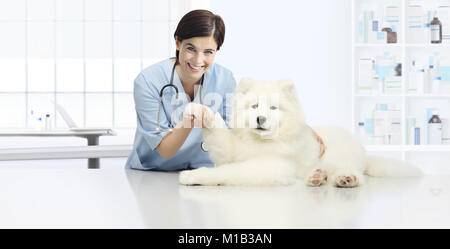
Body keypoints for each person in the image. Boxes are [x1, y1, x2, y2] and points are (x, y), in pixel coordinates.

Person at [125, 10, 236, 171]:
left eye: (208, 52)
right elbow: (165, 149)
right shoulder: (148, 81)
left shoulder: (225, 79)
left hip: (202, 171)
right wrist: (191, 118)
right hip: (154, 172)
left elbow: (233, 136)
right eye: (191, 49)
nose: (198, 60)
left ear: (216, 51)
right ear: (178, 42)